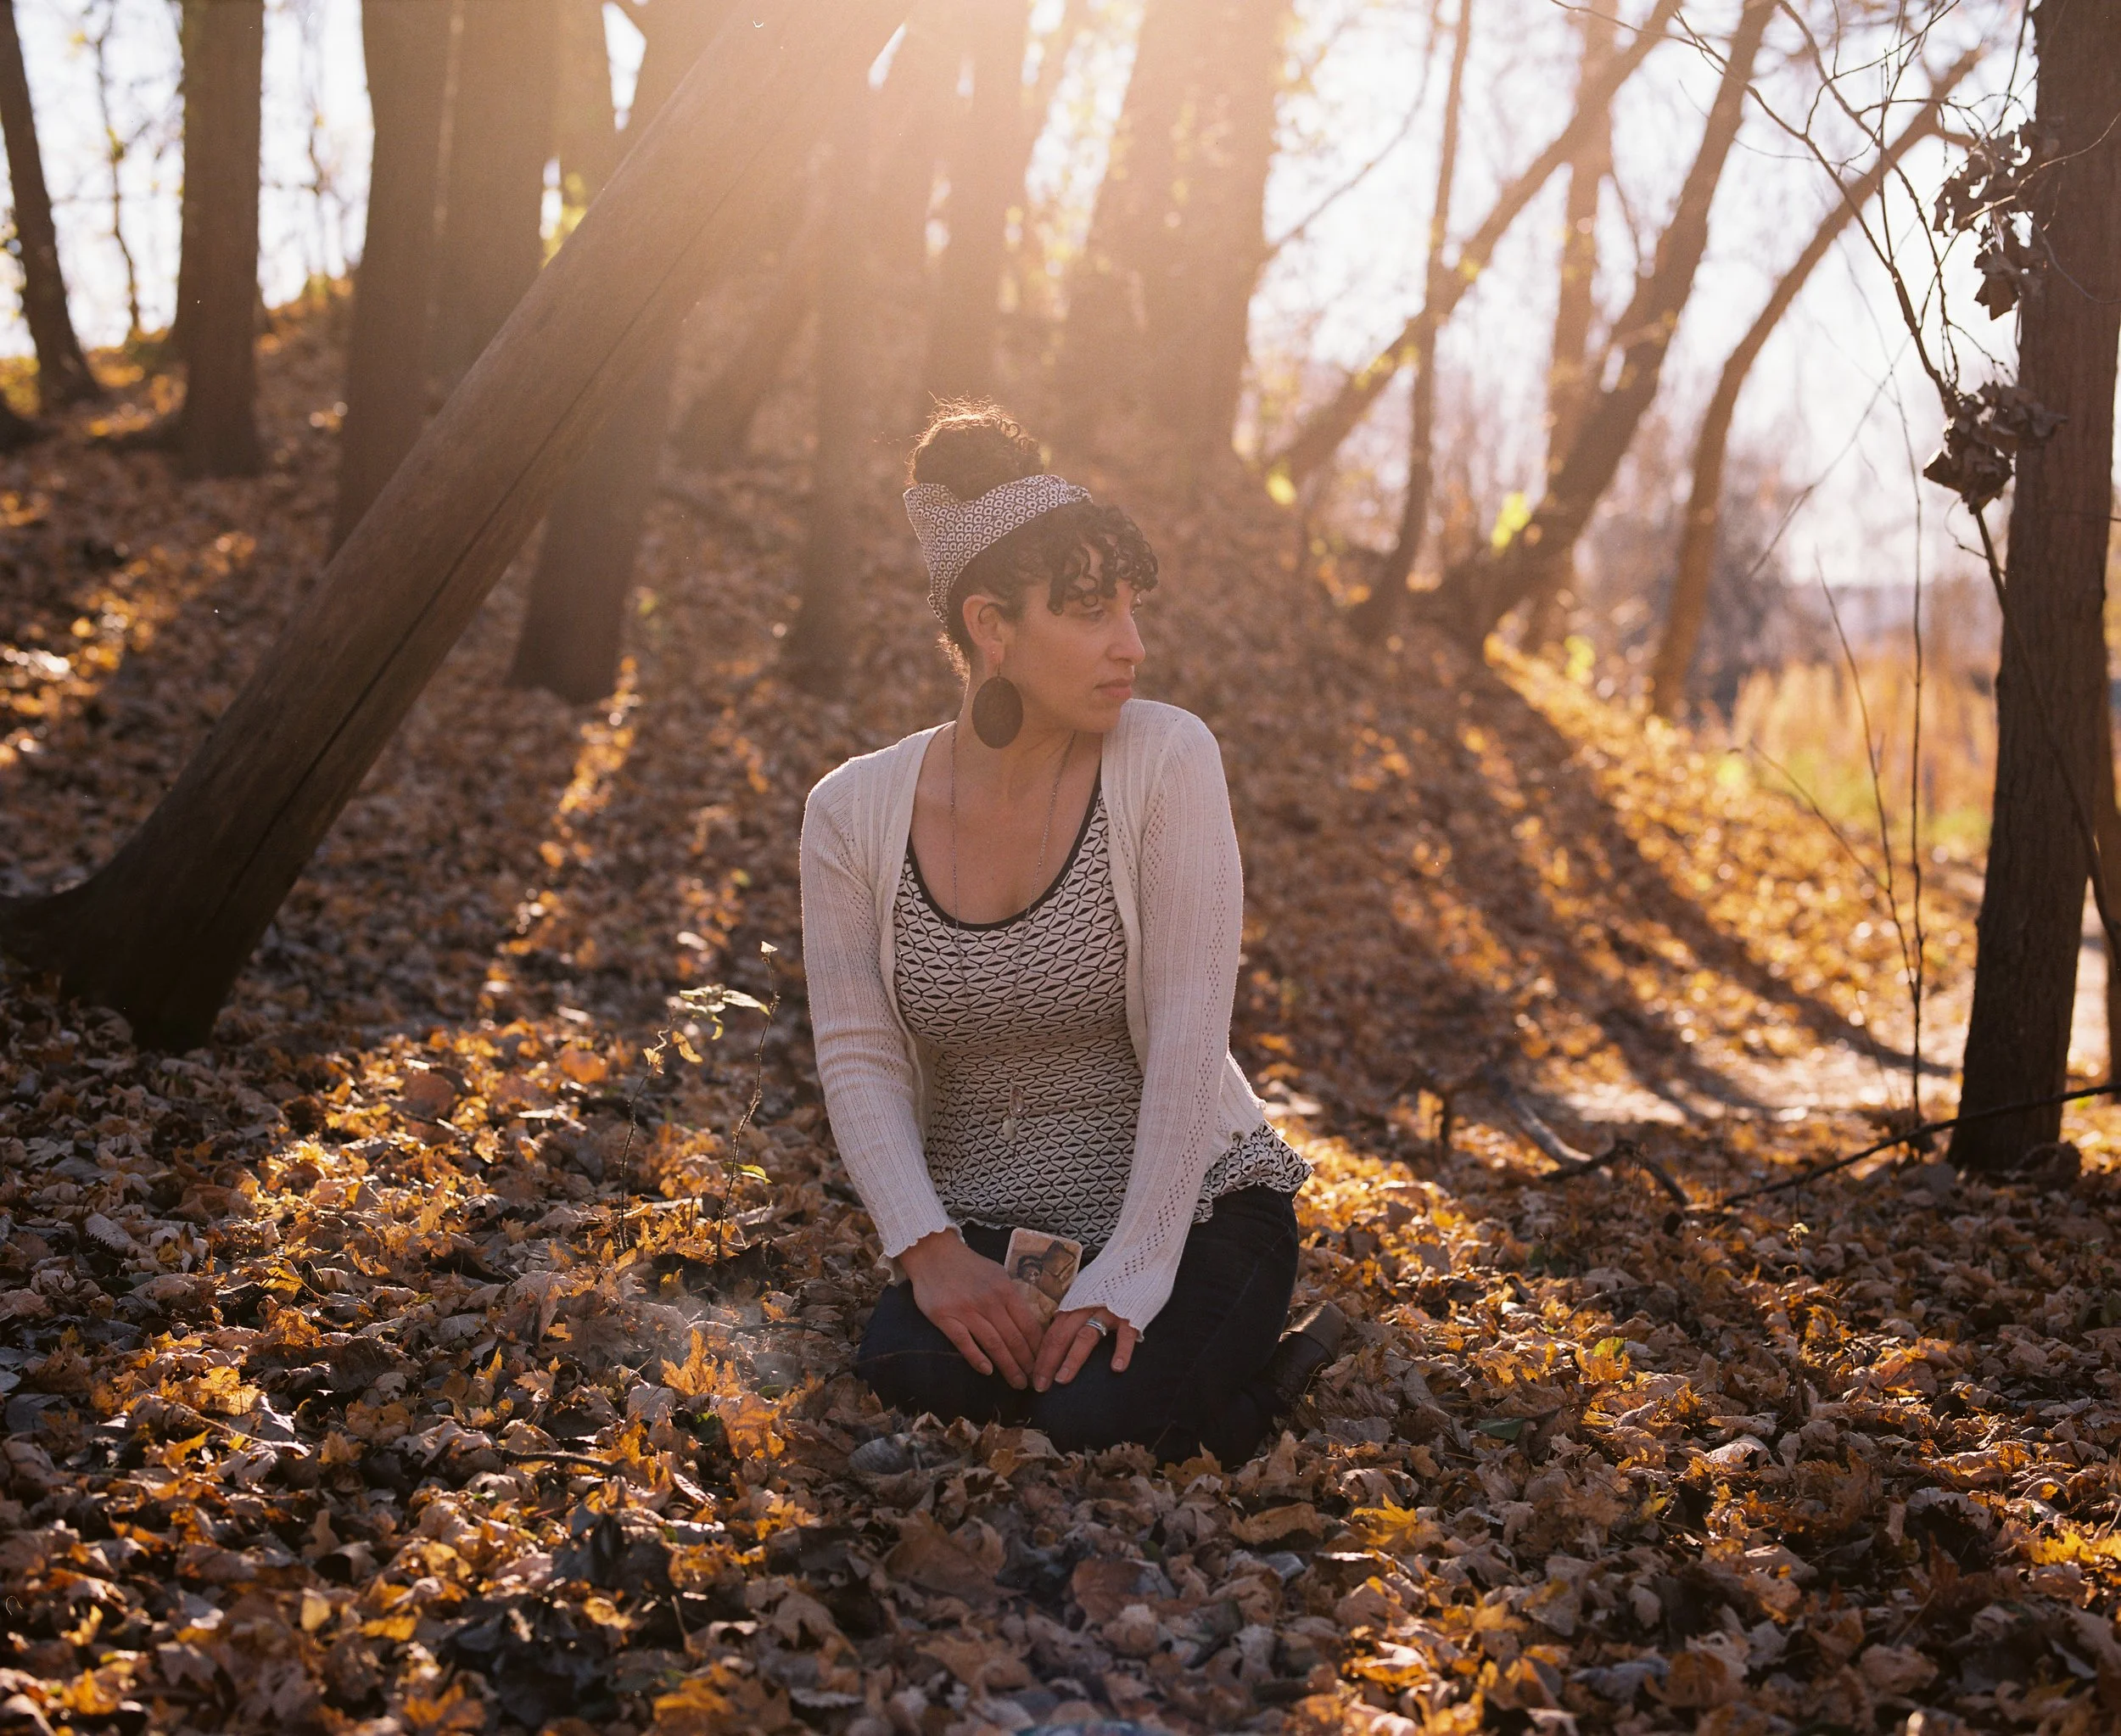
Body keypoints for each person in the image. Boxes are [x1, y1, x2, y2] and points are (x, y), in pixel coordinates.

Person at [798, 402, 1345, 1464]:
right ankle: (1187, 1380)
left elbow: (1192, 1035)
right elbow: (857, 1051)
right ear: (992, 627)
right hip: (999, 1224)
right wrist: (930, 1252)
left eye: (1132, 608)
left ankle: (1268, 1373)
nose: (1129, 646)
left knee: (1099, 1423)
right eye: (1090, 612)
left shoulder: (1166, 760)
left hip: (1193, 1209)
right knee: (909, 1374)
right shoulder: (851, 813)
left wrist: (1130, 1276)